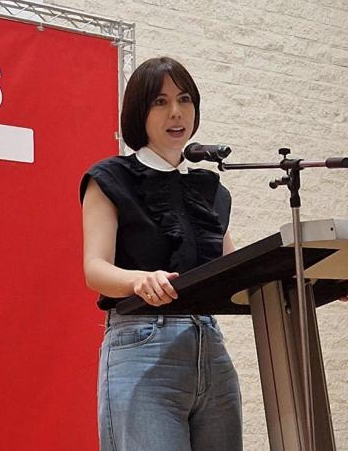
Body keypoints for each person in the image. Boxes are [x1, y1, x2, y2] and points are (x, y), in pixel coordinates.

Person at [80, 56, 242, 451]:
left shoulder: (210, 189)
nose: (176, 112)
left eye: (185, 99)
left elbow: (236, 271)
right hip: (142, 344)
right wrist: (139, 279)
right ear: (139, 111)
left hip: (210, 346)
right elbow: (95, 269)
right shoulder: (110, 177)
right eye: (160, 102)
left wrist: (312, 283)